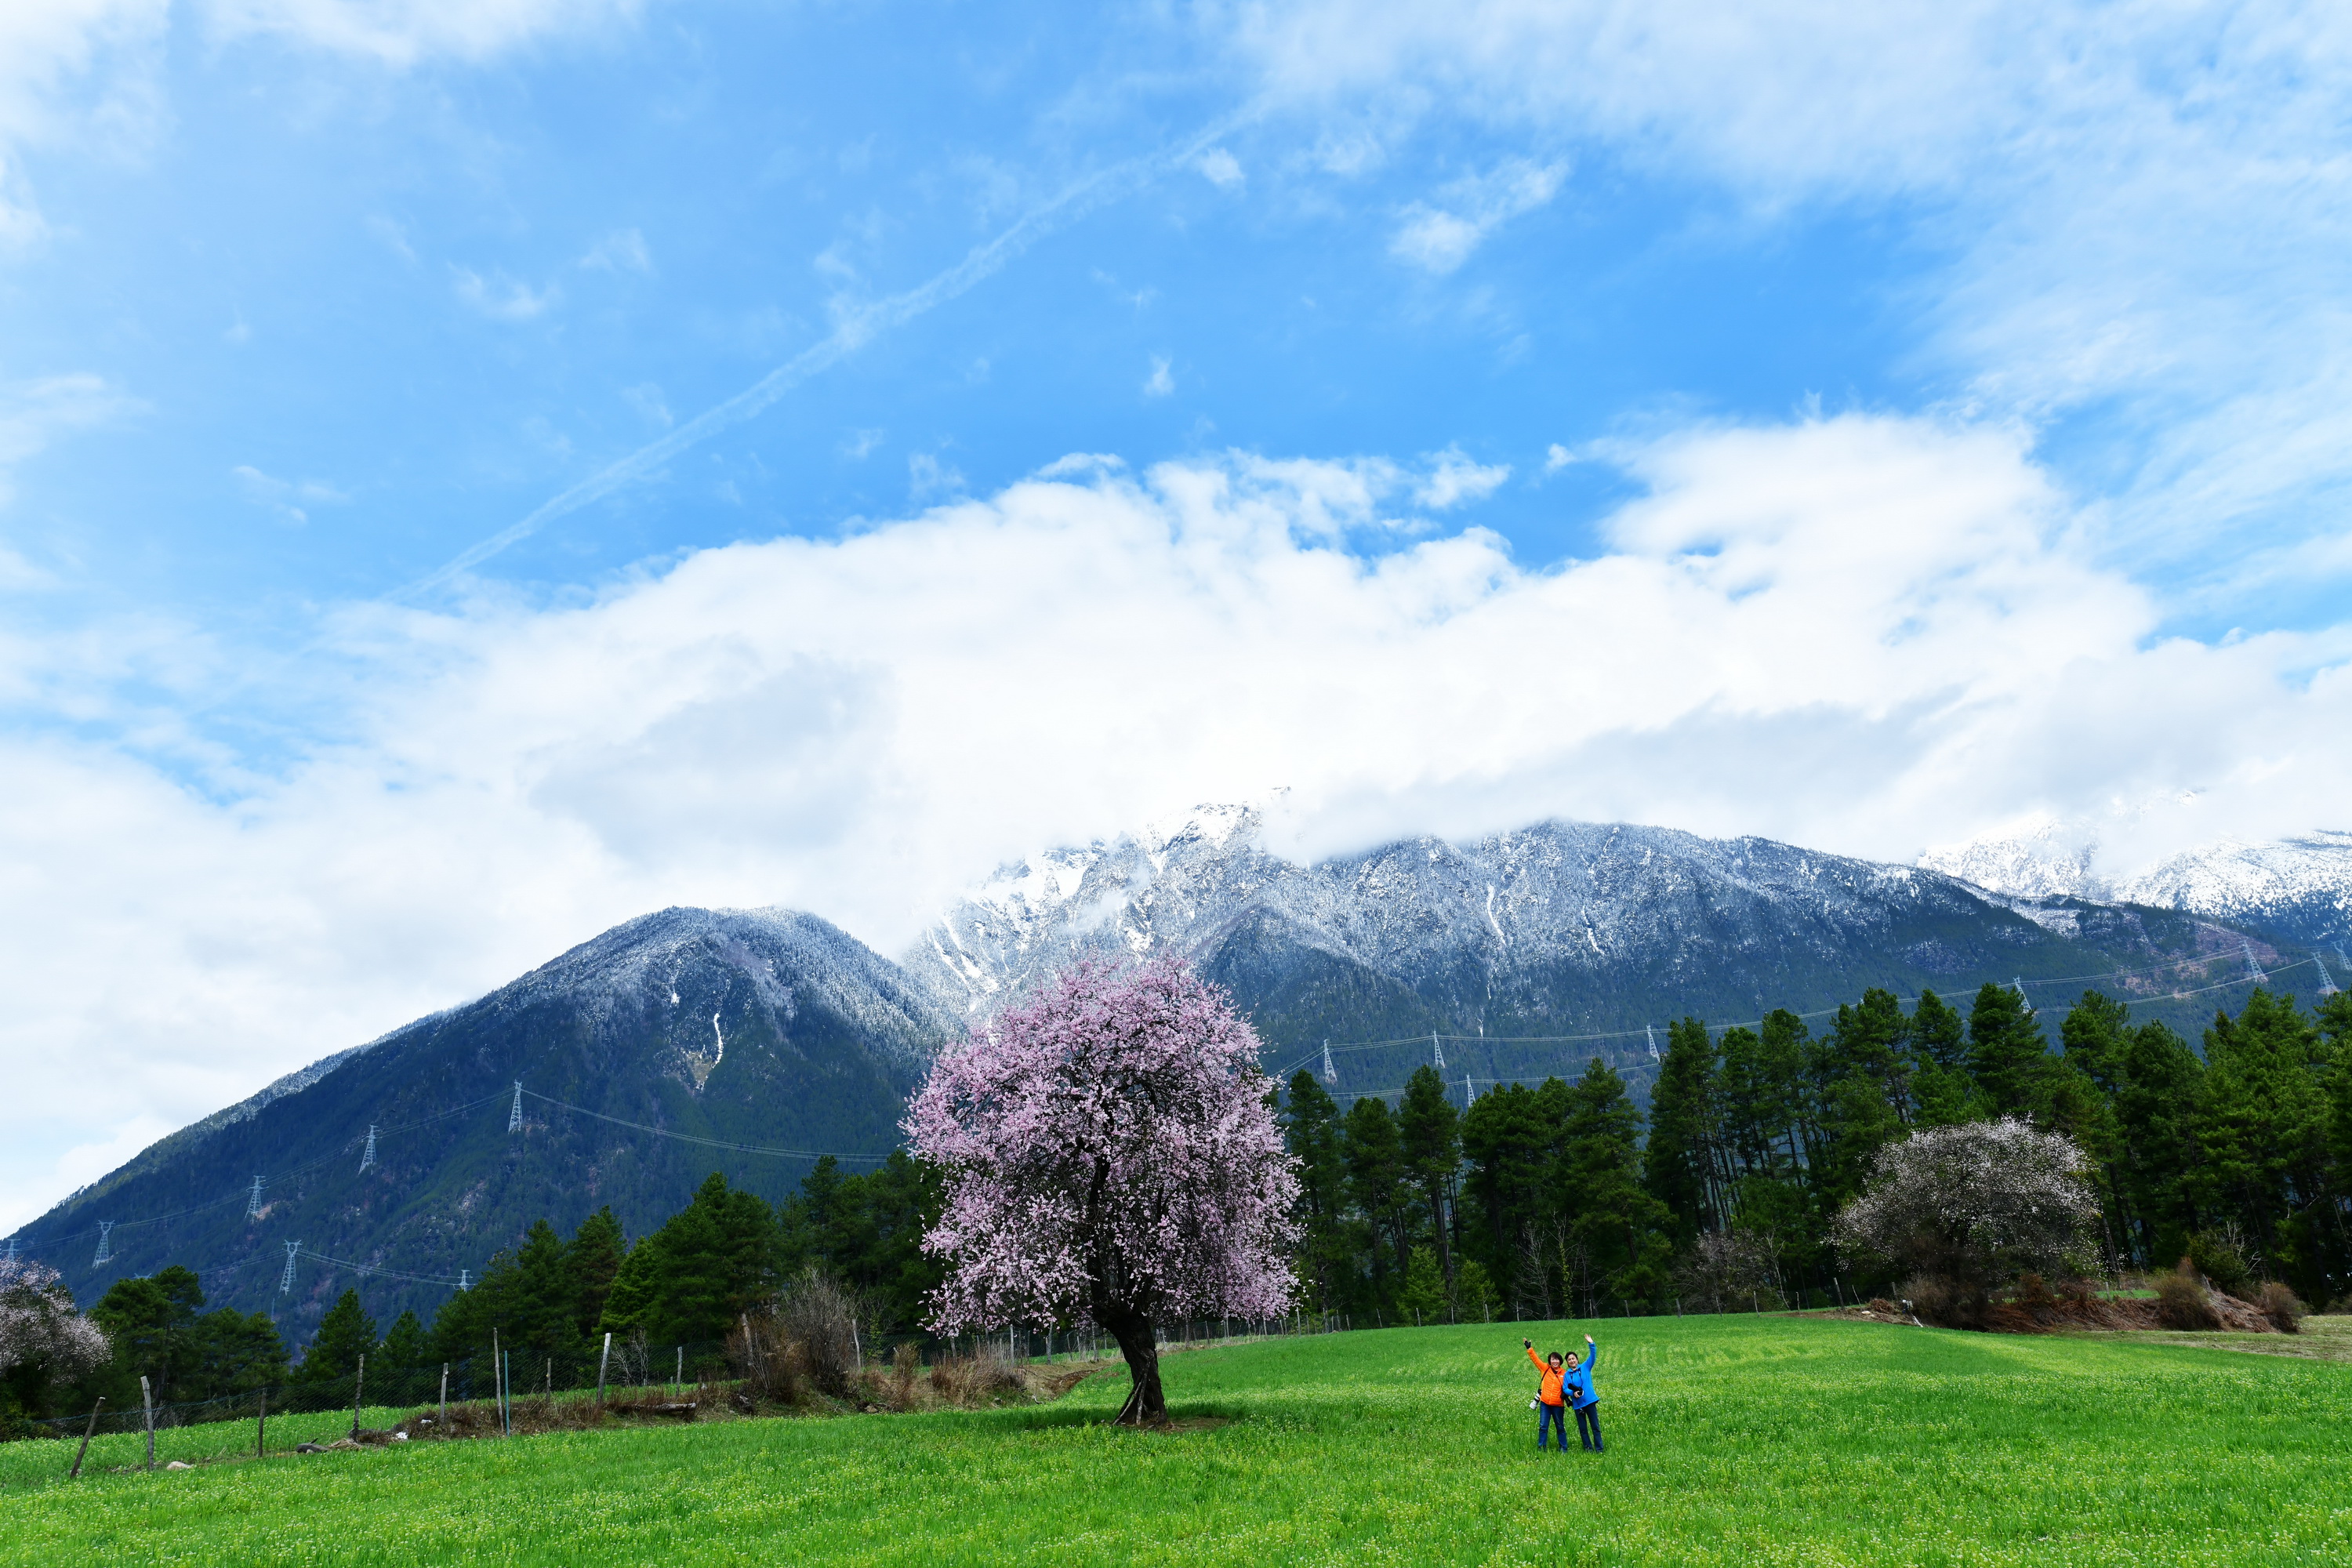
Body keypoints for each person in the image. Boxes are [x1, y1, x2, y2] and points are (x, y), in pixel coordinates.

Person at [1522, 1338, 1570, 1452]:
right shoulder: (1545, 1369)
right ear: (1550, 1361)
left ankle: (1563, 1448)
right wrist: (1529, 1348)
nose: (1555, 1361)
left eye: (1557, 1360)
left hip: (1558, 1405)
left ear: (1560, 1361)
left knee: (1560, 1427)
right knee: (1543, 1426)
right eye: (1553, 1359)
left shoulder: (1565, 1373)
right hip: (1545, 1404)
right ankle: (1541, 1447)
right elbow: (1535, 1360)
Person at [1561, 1334, 1602, 1452]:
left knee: (1595, 1427)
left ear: (1577, 1360)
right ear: (1567, 1363)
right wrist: (1572, 1394)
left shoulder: (1585, 1367)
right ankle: (1588, 1448)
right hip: (1578, 1405)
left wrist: (1591, 1343)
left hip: (1590, 1401)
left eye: (1573, 1358)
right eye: (1569, 1360)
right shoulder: (1567, 1375)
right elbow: (1565, 1389)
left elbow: (1593, 1356)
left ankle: (1599, 1449)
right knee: (1583, 1429)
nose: (1572, 1360)